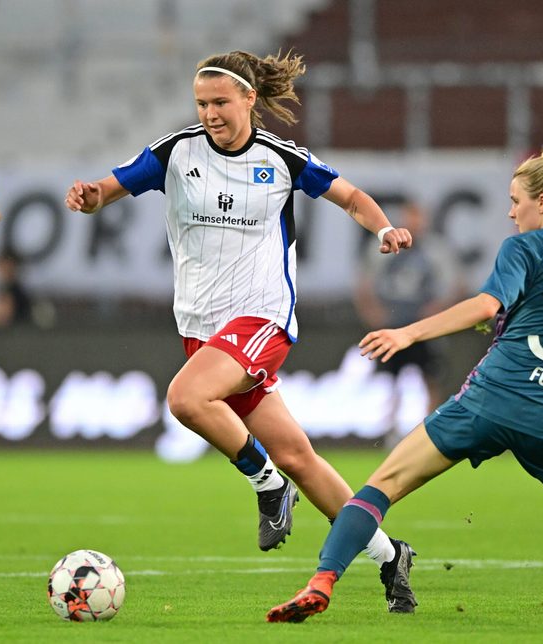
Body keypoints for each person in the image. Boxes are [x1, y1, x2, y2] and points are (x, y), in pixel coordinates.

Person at [65, 50, 419, 612]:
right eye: (201, 103)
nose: (209, 113)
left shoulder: (280, 158)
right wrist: (89, 198)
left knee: (185, 398)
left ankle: (265, 485)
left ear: (250, 100)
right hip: (203, 329)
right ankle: (388, 554)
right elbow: (110, 188)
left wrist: (383, 227)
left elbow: (349, 195)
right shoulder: (176, 153)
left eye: (220, 102)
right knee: (299, 456)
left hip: (261, 318)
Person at [267, 139, 543, 624]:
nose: (510, 213)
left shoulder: (527, 246)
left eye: (515, 202)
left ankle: (321, 582)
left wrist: (407, 331)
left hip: (495, 397)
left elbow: (485, 306)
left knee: (383, 483)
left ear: (542, 203)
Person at [353, 198, 465, 443]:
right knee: (392, 378)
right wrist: (373, 313)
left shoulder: (435, 249)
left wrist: (438, 310)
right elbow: (366, 283)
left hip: (423, 324)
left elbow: (455, 284)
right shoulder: (384, 246)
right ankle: (391, 428)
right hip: (395, 323)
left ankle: (428, 430)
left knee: (430, 377)